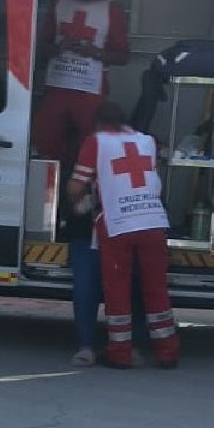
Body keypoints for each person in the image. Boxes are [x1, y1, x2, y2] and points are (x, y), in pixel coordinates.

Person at [68, 101, 179, 369]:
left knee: (117, 289)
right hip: (153, 222)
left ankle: (119, 353)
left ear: (97, 122)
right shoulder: (146, 141)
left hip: (118, 224)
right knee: (155, 288)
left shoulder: (97, 141)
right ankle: (167, 351)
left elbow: (75, 187)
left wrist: (79, 203)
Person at [32, 0, 131, 170]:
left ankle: (84, 193)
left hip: (91, 92)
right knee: (41, 141)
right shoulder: (58, 5)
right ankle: (45, 193)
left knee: (93, 146)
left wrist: (95, 52)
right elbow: (39, 48)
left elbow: (123, 56)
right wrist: (59, 48)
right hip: (57, 88)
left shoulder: (112, 9)